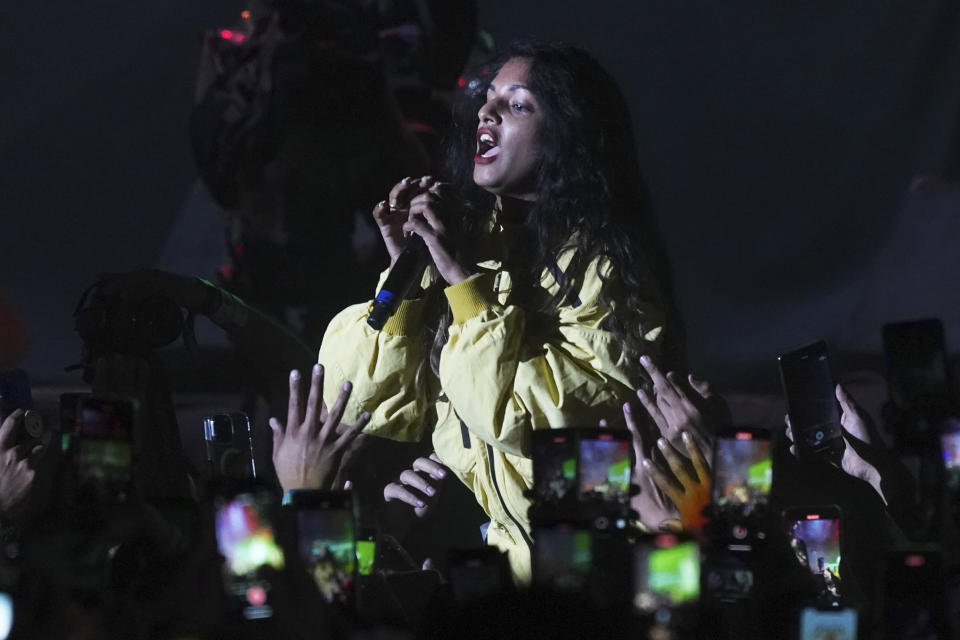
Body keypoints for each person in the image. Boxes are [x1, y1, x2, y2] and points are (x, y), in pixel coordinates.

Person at [315, 41, 683, 582]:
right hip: (509, 576)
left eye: (517, 105)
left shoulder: (609, 266)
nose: (486, 114)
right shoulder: (470, 240)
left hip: (600, 575)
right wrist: (408, 276)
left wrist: (466, 285)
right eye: (488, 100)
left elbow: (540, 421)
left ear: (567, 135)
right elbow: (356, 404)